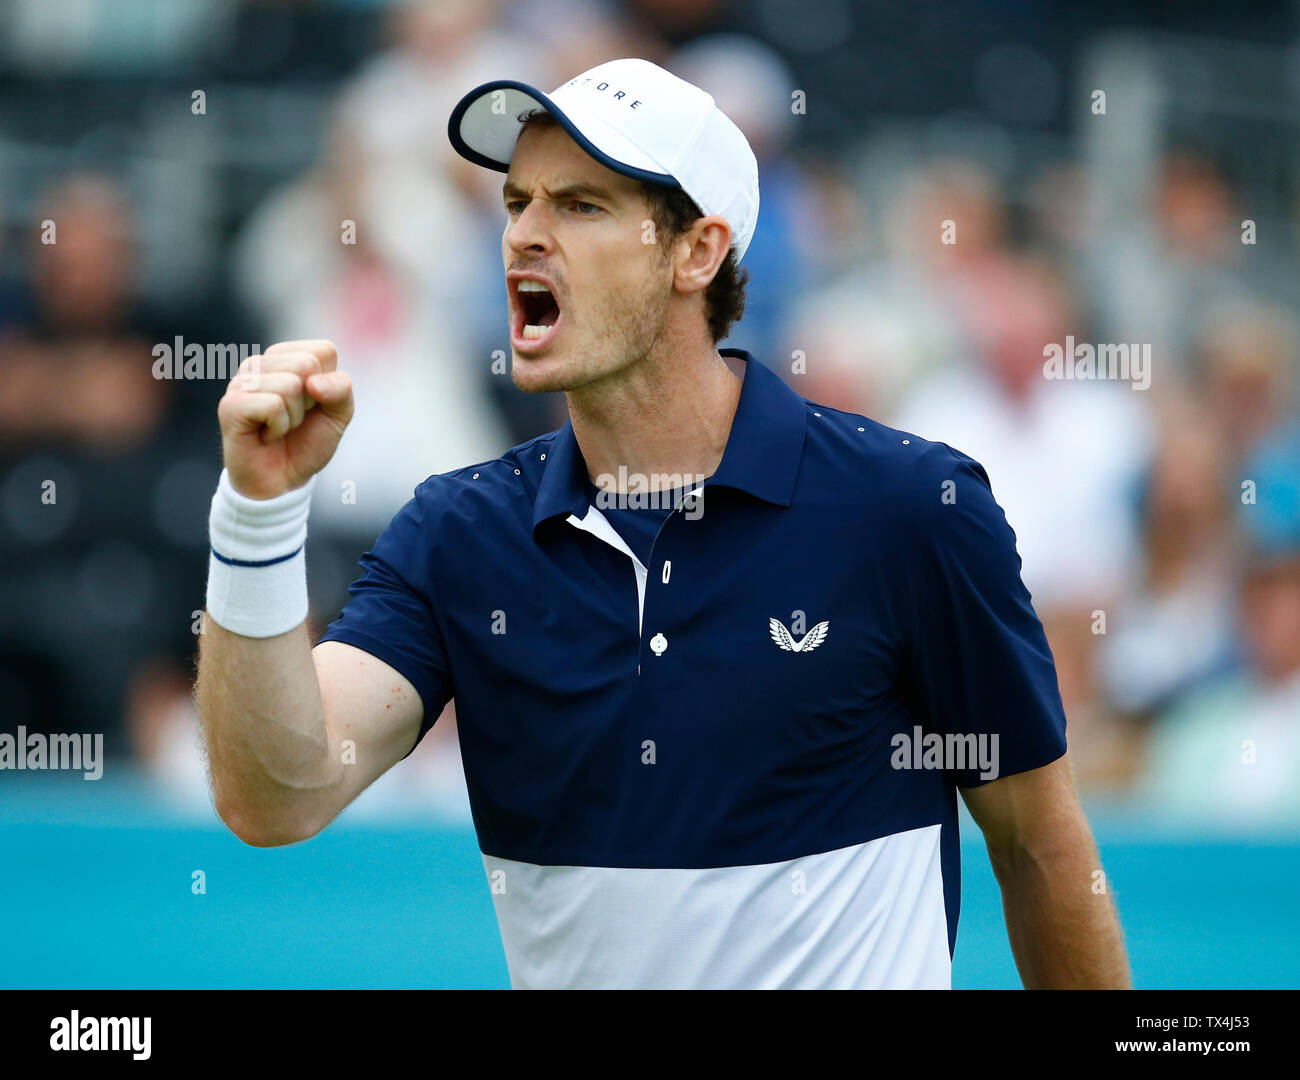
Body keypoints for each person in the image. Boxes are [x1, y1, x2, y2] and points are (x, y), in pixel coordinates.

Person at [196, 58, 1129, 990]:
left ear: (697, 252)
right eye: (517, 202)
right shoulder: (457, 533)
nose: (523, 234)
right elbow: (276, 797)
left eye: (581, 206)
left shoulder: (911, 507)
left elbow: (1039, 844)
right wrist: (256, 513)